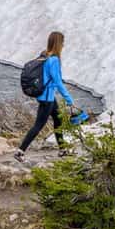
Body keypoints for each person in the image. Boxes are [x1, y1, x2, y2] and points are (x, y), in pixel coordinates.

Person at [15, 31, 76, 161]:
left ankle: (62, 149)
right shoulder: (54, 60)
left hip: (47, 96)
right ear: (58, 44)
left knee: (58, 120)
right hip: (47, 98)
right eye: (62, 43)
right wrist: (69, 99)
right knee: (38, 125)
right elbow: (58, 82)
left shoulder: (45, 55)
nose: (64, 45)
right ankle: (20, 151)